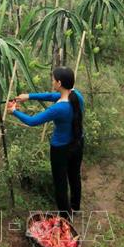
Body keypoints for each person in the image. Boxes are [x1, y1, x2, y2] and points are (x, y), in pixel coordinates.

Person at [7, 66, 85, 220]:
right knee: (74, 175)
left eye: (53, 79)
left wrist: (14, 111)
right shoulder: (77, 96)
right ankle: (75, 207)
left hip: (60, 150)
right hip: (78, 142)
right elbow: (52, 95)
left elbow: (32, 121)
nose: (52, 81)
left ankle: (65, 217)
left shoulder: (59, 108)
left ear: (59, 83)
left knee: (60, 183)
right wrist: (28, 96)